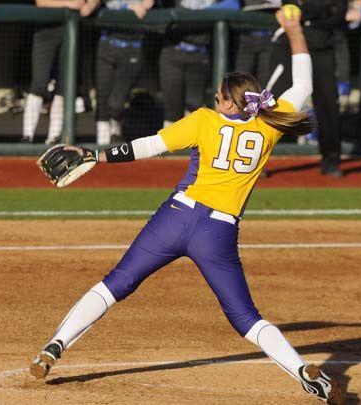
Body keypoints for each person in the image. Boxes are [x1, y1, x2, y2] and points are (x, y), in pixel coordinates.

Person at [29, 8, 343, 404]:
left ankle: (54, 347)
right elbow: (303, 80)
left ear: (230, 103)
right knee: (246, 319)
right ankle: (302, 371)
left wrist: (95, 156)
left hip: (175, 218)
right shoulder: (269, 122)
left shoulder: (203, 121)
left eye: (218, 98)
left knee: (115, 285)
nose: (213, 101)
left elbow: (147, 146)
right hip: (218, 233)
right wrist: (295, 28)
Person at [269, 0, 348, 177]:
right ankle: (254, 157)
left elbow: (338, 14)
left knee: (328, 106)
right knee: (269, 103)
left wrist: (307, 14)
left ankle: (331, 161)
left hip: (322, 46)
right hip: (287, 45)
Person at [158, 0, 240, 128]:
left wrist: (199, 13)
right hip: (173, 51)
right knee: (172, 110)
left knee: (194, 105)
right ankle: (169, 146)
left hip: (200, 55)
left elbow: (233, 5)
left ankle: (190, 143)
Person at [83, 0, 154, 145]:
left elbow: (148, 4)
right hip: (107, 43)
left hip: (132, 46)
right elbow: (89, 7)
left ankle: (115, 126)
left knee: (116, 102)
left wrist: (140, 6)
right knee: (102, 96)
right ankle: (101, 145)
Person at [21, 0, 86, 145]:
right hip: (45, 30)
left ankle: (54, 136)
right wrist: (68, 4)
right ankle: (27, 135)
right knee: (39, 83)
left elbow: (83, 4)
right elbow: (41, 2)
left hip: (70, 30)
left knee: (64, 85)